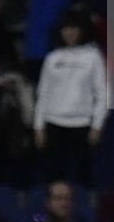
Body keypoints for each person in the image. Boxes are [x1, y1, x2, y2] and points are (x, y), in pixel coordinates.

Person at [33, 9, 108, 186]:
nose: (70, 32)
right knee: (52, 177)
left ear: (82, 30)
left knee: (85, 177)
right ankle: (46, 207)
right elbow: (43, 93)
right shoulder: (52, 57)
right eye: (66, 28)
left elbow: (103, 93)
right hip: (53, 123)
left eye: (74, 28)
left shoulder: (93, 56)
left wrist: (97, 125)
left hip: (82, 125)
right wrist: (38, 127)